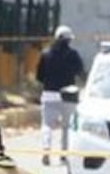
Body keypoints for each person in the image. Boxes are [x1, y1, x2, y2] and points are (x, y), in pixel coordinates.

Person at [36, 24, 86, 165]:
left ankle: (46, 151)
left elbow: (39, 76)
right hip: (68, 95)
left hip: (49, 94)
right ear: (69, 40)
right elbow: (81, 72)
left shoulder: (45, 54)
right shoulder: (73, 55)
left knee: (47, 125)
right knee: (66, 126)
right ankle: (63, 155)